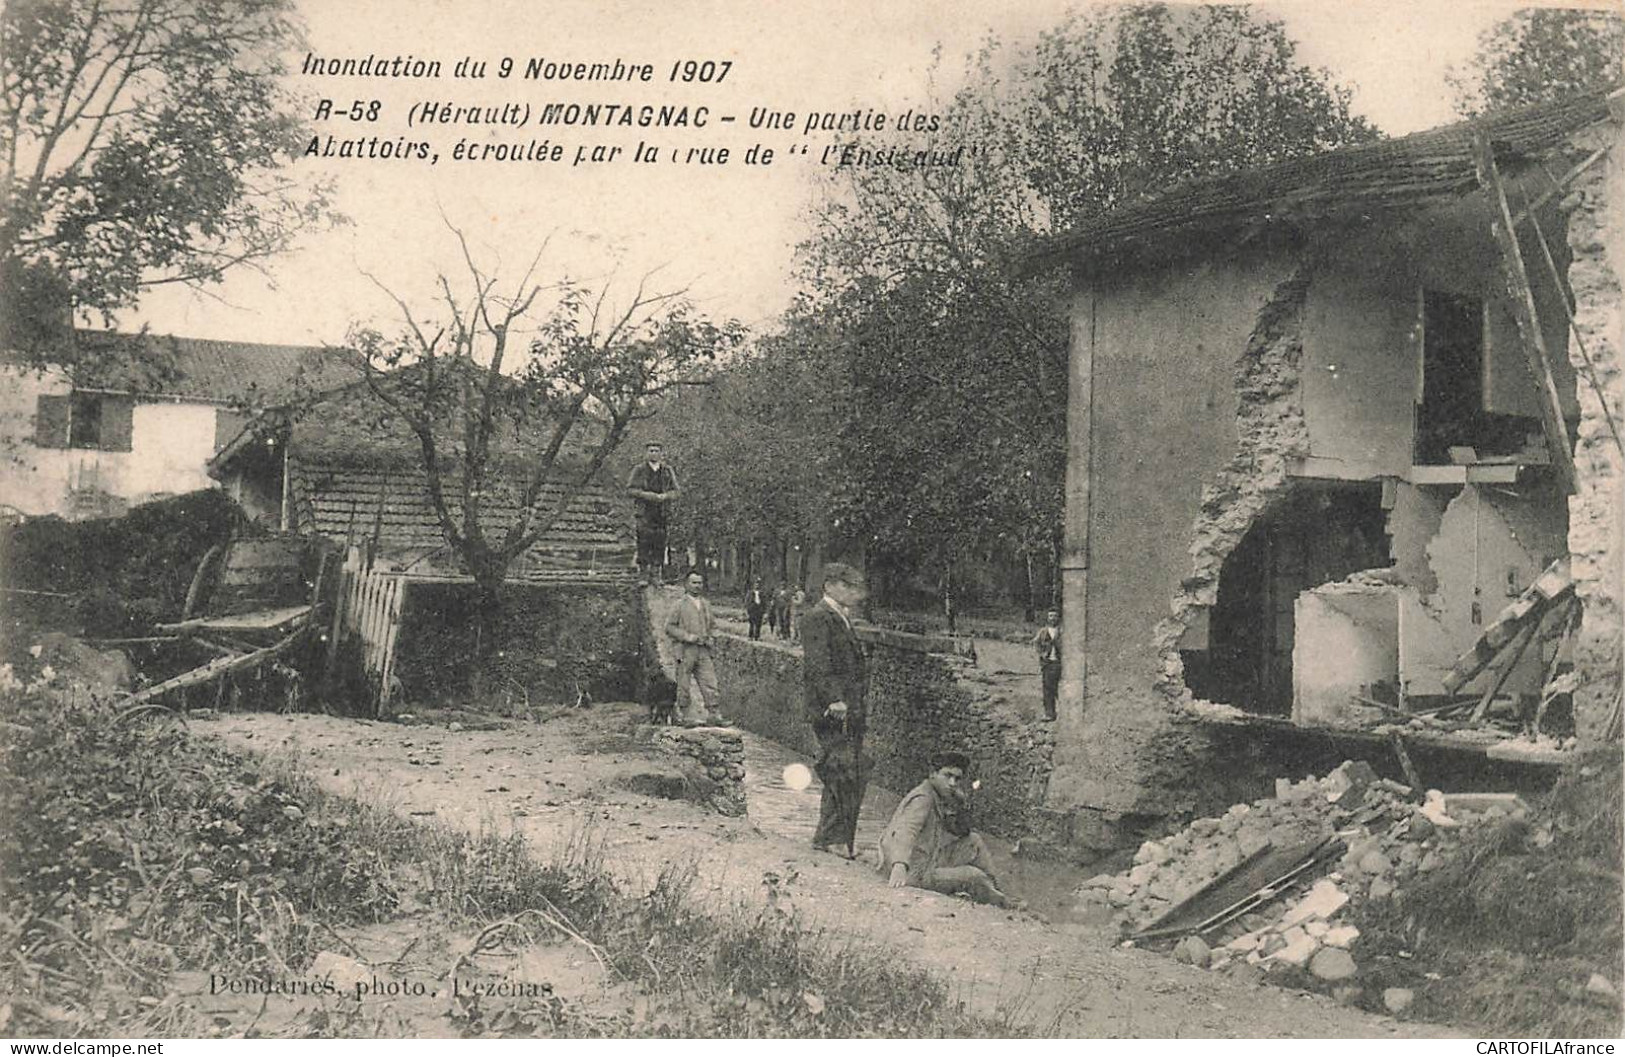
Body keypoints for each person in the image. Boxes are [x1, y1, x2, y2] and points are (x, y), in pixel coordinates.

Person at [878, 751, 1020, 908]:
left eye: (957, 779)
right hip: (913, 872)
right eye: (947, 776)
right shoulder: (923, 798)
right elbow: (906, 830)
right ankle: (1004, 903)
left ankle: (998, 889)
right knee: (974, 875)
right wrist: (899, 865)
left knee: (974, 840)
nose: (952, 783)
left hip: (926, 861)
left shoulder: (937, 795)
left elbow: (960, 831)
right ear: (933, 774)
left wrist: (960, 803)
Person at [800, 562, 870, 857]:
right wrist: (834, 700)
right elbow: (819, 664)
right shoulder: (819, 617)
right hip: (833, 710)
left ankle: (835, 839)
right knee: (842, 768)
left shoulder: (841, 617)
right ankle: (831, 839)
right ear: (829, 586)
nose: (855, 593)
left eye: (856, 587)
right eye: (847, 586)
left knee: (850, 768)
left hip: (848, 709)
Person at [664, 571, 721, 725]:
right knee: (683, 683)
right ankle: (685, 715)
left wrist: (712, 637)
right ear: (686, 584)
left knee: (710, 681)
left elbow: (713, 626)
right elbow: (669, 627)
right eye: (694, 583)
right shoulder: (679, 605)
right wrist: (687, 636)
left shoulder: (706, 604)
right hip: (685, 650)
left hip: (703, 650)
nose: (697, 586)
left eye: (700, 583)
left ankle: (714, 714)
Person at [626, 442, 680, 585]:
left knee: (659, 541)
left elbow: (676, 491)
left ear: (661, 453)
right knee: (643, 540)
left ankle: (656, 574)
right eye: (651, 451)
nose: (654, 453)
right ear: (646, 453)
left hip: (661, 512)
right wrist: (646, 495)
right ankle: (643, 574)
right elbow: (630, 490)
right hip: (644, 512)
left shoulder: (667, 471)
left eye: (656, 451)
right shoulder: (639, 470)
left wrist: (665, 496)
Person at [1033, 608, 1062, 721]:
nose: (1053, 618)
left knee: (1060, 689)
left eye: (1055, 616)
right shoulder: (1043, 631)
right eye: (1050, 616)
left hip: (1060, 663)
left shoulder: (1062, 631)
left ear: (1058, 618)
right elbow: (1036, 643)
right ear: (1047, 617)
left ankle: (1066, 712)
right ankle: (1050, 713)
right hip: (1048, 664)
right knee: (1048, 689)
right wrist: (1042, 654)